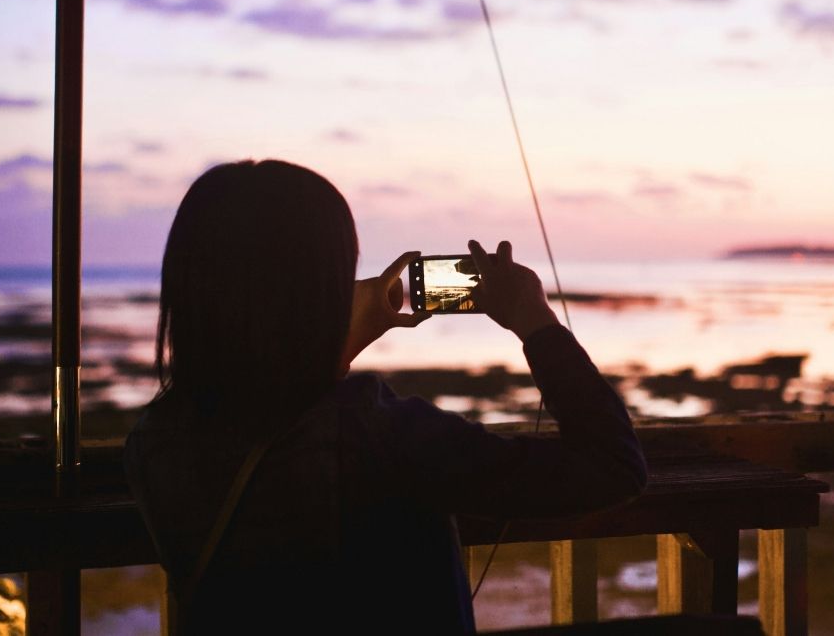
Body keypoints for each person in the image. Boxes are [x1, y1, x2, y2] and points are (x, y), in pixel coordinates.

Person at [124, 159, 647, 634]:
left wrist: (335, 340)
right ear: (317, 289)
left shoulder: (156, 444)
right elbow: (612, 464)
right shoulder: (377, 434)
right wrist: (536, 323)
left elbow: (272, 408)